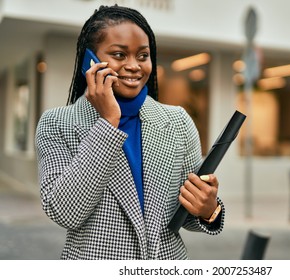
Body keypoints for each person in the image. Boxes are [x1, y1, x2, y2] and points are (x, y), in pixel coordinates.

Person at [35, 5, 224, 260]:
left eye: (143, 55)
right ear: (90, 60)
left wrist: (208, 209)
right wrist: (108, 122)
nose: (134, 66)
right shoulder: (57, 123)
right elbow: (66, 211)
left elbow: (183, 217)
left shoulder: (177, 121)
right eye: (119, 55)